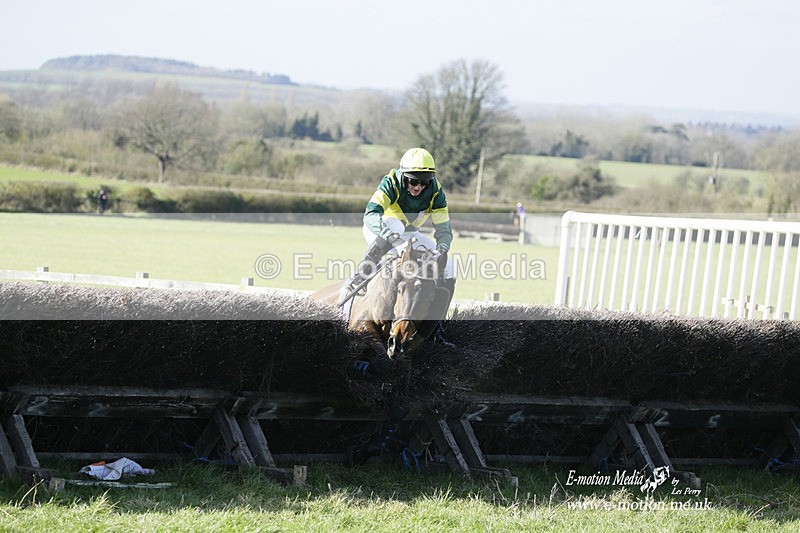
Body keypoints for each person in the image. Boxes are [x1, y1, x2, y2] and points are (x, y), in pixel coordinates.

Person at [347, 147, 456, 346]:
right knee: (396, 226)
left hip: (409, 234)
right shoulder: (390, 182)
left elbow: (443, 228)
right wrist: (389, 236)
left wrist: (442, 247)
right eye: (413, 181)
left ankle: (435, 329)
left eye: (424, 182)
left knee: (451, 266)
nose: (418, 187)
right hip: (381, 229)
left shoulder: (436, 191)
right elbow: (371, 214)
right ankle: (359, 278)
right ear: (404, 176)